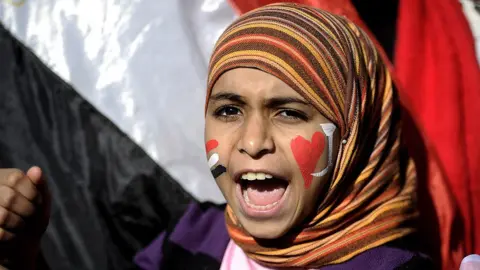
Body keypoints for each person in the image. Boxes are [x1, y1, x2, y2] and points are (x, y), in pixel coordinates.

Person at [0, 3, 436, 269]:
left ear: (356, 137)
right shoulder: (190, 241)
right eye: (228, 110)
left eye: (288, 112)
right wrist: (21, 256)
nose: (251, 141)